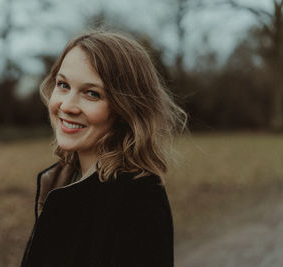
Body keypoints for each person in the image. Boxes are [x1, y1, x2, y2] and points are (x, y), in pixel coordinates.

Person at [20, 30, 186, 267]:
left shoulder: (137, 200)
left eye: (92, 94)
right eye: (63, 85)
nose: (67, 106)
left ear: (125, 108)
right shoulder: (62, 178)